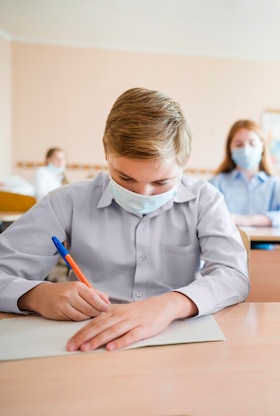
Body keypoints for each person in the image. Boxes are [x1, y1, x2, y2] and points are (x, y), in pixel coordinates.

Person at [0, 87, 249, 351]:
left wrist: (169, 306)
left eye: (161, 182)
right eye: (125, 178)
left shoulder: (205, 200)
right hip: (88, 344)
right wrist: (36, 296)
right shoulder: (66, 202)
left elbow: (233, 276)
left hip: (176, 344)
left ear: (184, 161)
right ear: (106, 154)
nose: (143, 194)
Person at [209, 119, 280, 228]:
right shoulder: (216, 183)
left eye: (252, 143)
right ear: (230, 148)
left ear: (262, 146)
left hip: (265, 244)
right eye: (239, 144)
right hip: (224, 244)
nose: (245, 149)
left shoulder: (275, 185)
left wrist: (248, 220)